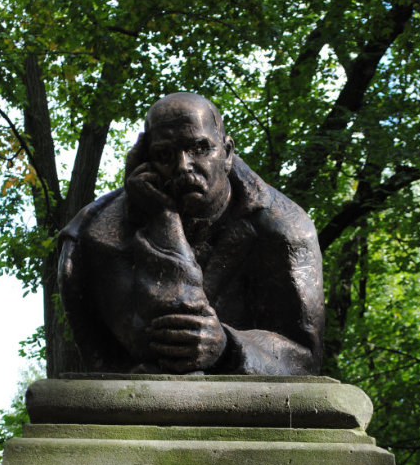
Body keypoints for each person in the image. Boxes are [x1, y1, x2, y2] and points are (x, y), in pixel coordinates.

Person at [58, 92, 324, 375]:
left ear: (227, 153)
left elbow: (305, 360)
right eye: (164, 155)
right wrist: (164, 221)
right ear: (144, 159)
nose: (183, 165)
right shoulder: (93, 237)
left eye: (199, 148)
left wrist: (228, 347)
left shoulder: (284, 228)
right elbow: (141, 352)